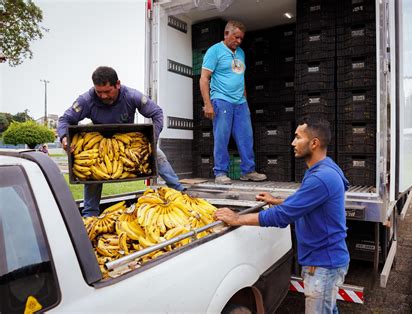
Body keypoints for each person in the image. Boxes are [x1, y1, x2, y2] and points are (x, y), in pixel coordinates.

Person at [215, 118, 350, 313]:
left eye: (298, 137)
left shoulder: (321, 177)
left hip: (323, 265)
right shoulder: (324, 168)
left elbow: (282, 217)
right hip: (324, 262)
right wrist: (277, 200)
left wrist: (237, 219)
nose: (293, 143)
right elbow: (305, 202)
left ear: (314, 143)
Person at [57, 66, 185, 217]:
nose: (103, 96)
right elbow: (65, 119)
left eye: (107, 91)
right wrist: (64, 138)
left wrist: (153, 139)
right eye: (99, 92)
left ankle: (181, 193)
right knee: (92, 171)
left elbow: (156, 113)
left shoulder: (132, 96)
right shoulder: (86, 100)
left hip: (129, 143)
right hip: (99, 145)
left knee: (158, 155)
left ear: (117, 84)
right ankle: (89, 215)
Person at [200, 20, 267, 185]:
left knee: (246, 136)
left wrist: (245, 101)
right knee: (222, 137)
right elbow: (204, 79)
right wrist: (207, 104)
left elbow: (240, 77)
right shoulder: (214, 51)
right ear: (226, 34)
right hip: (221, 100)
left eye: (241, 39)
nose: (238, 41)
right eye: (236, 37)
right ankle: (220, 172)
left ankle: (248, 171)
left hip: (240, 102)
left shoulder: (241, 53)